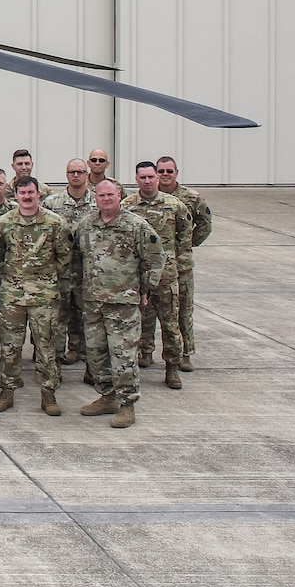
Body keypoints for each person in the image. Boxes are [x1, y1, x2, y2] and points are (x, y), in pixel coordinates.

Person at [76, 180, 161, 428]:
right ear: (95, 197)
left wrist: (146, 289)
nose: (106, 198)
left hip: (122, 304)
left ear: (120, 195)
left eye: (110, 194)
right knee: (96, 353)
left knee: (123, 356)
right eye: (101, 195)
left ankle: (127, 405)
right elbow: (77, 258)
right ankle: (107, 397)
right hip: (93, 302)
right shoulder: (86, 225)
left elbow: (155, 259)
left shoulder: (136, 226)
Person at [0, 176, 74, 416]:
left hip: (44, 297)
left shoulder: (55, 223)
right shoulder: (3, 223)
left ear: (39, 194)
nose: (26, 197)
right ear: (15, 195)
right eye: (22, 193)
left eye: (31, 193)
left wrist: (49, 281)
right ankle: (7, 391)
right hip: (13, 296)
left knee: (46, 347)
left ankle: (48, 394)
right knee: (10, 347)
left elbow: (65, 257)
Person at [122, 161, 191, 389]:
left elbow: (185, 236)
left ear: (157, 178)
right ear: (136, 179)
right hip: (138, 276)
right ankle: (142, 356)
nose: (148, 181)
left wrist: (175, 262)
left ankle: (172, 367)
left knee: (170, 323)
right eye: (143, 177)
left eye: (151, 177)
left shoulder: (174, 205)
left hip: (166, 276)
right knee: (139, 320)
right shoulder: (128, 206)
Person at [157, 155, 212, 371]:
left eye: (169, 171)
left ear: (176, 172)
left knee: (183, 311)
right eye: (161, 171)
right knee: (151, 313)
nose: (165, 175)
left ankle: (185, 353)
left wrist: (186, 245)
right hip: (156, 265)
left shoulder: (191, 197)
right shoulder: (150, 197)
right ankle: (146, 351)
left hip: (181, 266)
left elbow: (205, 225)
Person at [43, 159, 96, 365]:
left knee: (83, 315)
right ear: (66, 174)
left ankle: (78, 352)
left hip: (86, 271)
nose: (76, 175)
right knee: (58, 316)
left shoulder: (96, 202)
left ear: (86, 174)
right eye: (72, 172)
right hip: (60, 271)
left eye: (80, 172)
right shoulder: (52, 203)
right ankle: (54, 358)